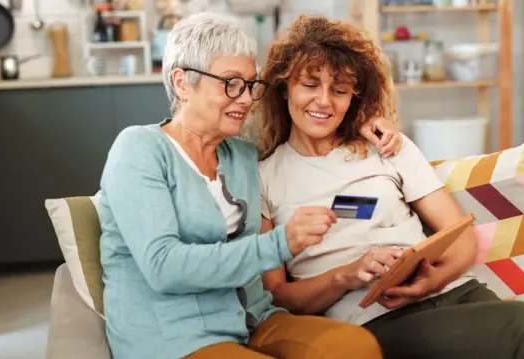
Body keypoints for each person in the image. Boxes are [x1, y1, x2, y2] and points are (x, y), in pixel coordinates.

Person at [256, 15, 524, 359]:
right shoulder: (263, 178)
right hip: (376, 318)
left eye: (339, 90)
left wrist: (433, 280)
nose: (324, 101)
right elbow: (279, 296)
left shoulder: (385, 146)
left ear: (353, 98)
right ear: (285, 88)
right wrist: (347, 274)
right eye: (310, 85)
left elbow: (460, 236)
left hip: (457, 293)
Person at [98, 12, 402, 359]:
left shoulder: (241, 154)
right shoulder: (139, 149)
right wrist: (278, 244)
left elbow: (309, 121)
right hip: (175, 335)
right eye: (230, 83)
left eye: (250, 85)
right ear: (182, 83)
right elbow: (163, 266)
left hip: (254, 320)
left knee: (354, 347)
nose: (244, 99)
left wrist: (364, 122)